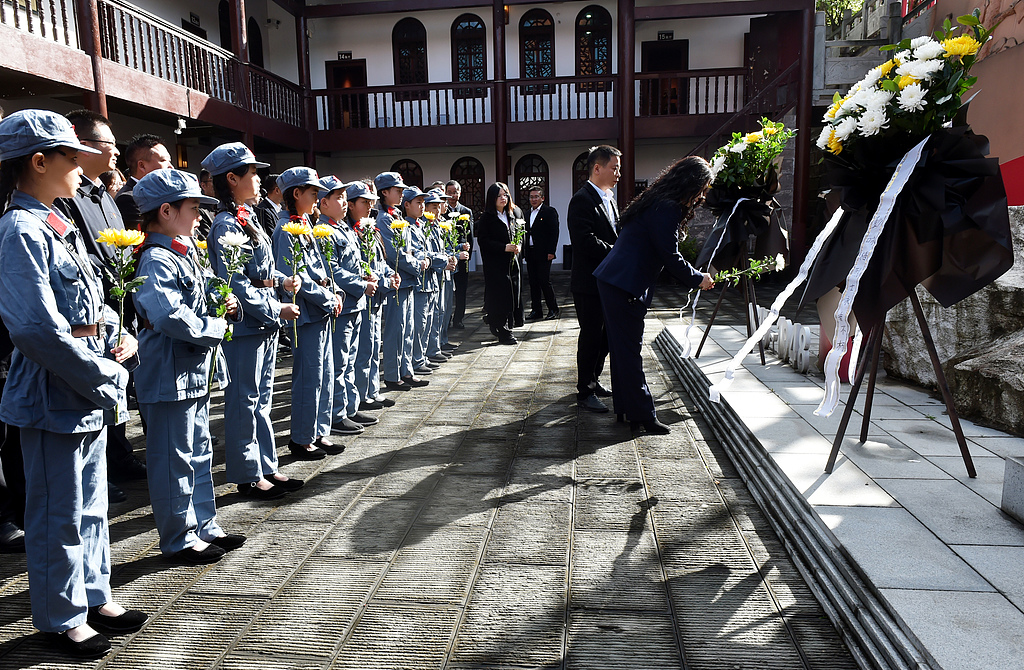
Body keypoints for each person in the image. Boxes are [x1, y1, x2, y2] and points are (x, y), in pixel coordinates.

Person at [0, 109, 146, 659]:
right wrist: (106, 371)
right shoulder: (20, 230)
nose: (82, 170)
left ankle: (94, 594)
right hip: (51, 390)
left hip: (82, 381)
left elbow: (93, 300)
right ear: (39, 162)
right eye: (71, 158)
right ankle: (60, 616)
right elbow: (36, 328)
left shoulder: (57, 223)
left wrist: (118, 334)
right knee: (56, 510)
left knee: (90, 503)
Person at [131, 168, 247, 562]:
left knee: (198, 452)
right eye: (193, 208)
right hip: (168, 372)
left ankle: (204, 524)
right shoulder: (156, 259)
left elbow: (204, 291)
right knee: (172, 459)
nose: (200, 216)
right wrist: (218, 325)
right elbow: (170, 317)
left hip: (191, 371)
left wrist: (227, 301)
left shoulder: (182, 250)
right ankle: (179, 537)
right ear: (166, 211)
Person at [54, 110, 147, 504]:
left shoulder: (101, 195)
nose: (116, 152)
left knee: (118, 391)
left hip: (113, 308)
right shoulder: (64, 199)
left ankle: (117, 454)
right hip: (89, 312)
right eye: (110, 144)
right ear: (86, 146)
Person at [203, 142, 303, 499]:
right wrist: (276, 308)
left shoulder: (248, 217)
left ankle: (267, 466)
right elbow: (236, 283)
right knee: (244, 400)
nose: (259, 179)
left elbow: (260, 271)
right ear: (231, 179)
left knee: (260, 398)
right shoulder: (226, 224)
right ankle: (248, 473)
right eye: (252, 173)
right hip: (247, 324)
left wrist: (281, 281)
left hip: (261, 321)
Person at [594, 157, 715, 433]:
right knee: (629, 351)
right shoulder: (667, 207)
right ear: (690, 184)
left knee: (623, 350)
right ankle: (643, 416)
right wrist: (699, 279)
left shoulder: (656, 200)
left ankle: (628, 410)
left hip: (615, 280)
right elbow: (670, 257)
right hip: (624, 283)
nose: (702, 196)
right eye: (702, 189)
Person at [272, 167, 344, 459]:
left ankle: (318, 431)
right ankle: (301, 438)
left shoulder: (304, 224)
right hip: (307, 314)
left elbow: (322, 269)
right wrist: (329, 297)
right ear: (296, 194)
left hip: (321, 312)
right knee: (309, 378)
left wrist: (335, 291)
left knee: (325, 375)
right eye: (313, 193)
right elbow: (296, 276)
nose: (317, 198)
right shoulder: (286, 229)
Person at [316, 175, 378, 436]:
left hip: (355, 304)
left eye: (344, 197)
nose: (343, 202)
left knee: (350, 360)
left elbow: (352, 264)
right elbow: (334, 271)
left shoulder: (342, 228)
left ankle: (349, 408)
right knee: (339, 363)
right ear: (323, 202)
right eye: (338, 197)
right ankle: (337, 414)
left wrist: (366, 275)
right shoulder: (324, 230)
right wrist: (360, 284)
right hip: (344, 303)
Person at [567, 144, 621, 413]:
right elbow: (584, 241)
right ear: (597, 168)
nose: (618, 174)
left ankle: (595, 378)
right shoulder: (582, 199)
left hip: (609, 280)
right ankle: (584, 391)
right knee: (591, 336)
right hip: (589, 282)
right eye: (614, 168)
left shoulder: (610, 197)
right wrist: (617, 252)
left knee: (607, 337)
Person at [348, 181, 398, 411]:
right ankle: (361, 395)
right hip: (364, 295)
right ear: (351, 205)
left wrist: (390, 273)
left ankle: (372, 391)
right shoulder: (352, 232)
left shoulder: (368, 228)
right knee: (363, 349)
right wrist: (383, 278)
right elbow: (361, 267)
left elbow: (379, 261)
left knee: (373, 345)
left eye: (371, 202)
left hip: (376, 296)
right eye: (364, 202)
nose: (369, 206)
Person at [376, 172, 429, 391]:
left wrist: (416, 260)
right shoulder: (383, 218)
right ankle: (391, 374)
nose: (400, 193)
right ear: (384, 192)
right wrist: (417, 264)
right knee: (395, 330)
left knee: (407, 329)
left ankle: (406, 370)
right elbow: (393, 252)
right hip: (398, 280)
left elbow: (407, 249)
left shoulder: (395, 215)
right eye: (397, 190)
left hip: (408, 281)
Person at [476, 182, 523, 345]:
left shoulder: (512, 214)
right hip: (496, 265)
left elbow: (519, 235)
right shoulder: (487, 218)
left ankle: (501, 323)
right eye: (499, 195)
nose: (503, 198)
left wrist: (518, 246)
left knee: (512, 296)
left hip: (511, 264)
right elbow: (484, 241)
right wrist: (503, 247)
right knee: (500, 298)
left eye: (505, 195)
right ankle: (504, 331)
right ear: (492, 198)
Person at [114, 134, 172, 229]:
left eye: (170, 161)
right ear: (142, 166)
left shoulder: (157, 193)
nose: (170, 167)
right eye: (163, 160)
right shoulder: (129, 198)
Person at [524, 186, 560, 320]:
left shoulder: (549, 212)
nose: (533, 199)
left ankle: (553, 309)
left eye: (536, 196)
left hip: (544, 253)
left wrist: (551, 251)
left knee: (544, 281)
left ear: (542, 198)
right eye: (531, 197)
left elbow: (554, 233)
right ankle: (536, 310)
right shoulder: (527, 214)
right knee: (533, 282)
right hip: (531, 252)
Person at [445, 180, 473, 329]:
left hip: (463, 256)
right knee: (448, 291)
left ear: (460, 193)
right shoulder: (443, 212)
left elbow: (470, 236)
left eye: (455, 192)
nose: (452, 195)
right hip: (449, 255)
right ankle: (447, 318)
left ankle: (459, 318)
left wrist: (468, 255)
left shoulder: (466, 211)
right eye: (449, 192)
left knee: (461, 290)